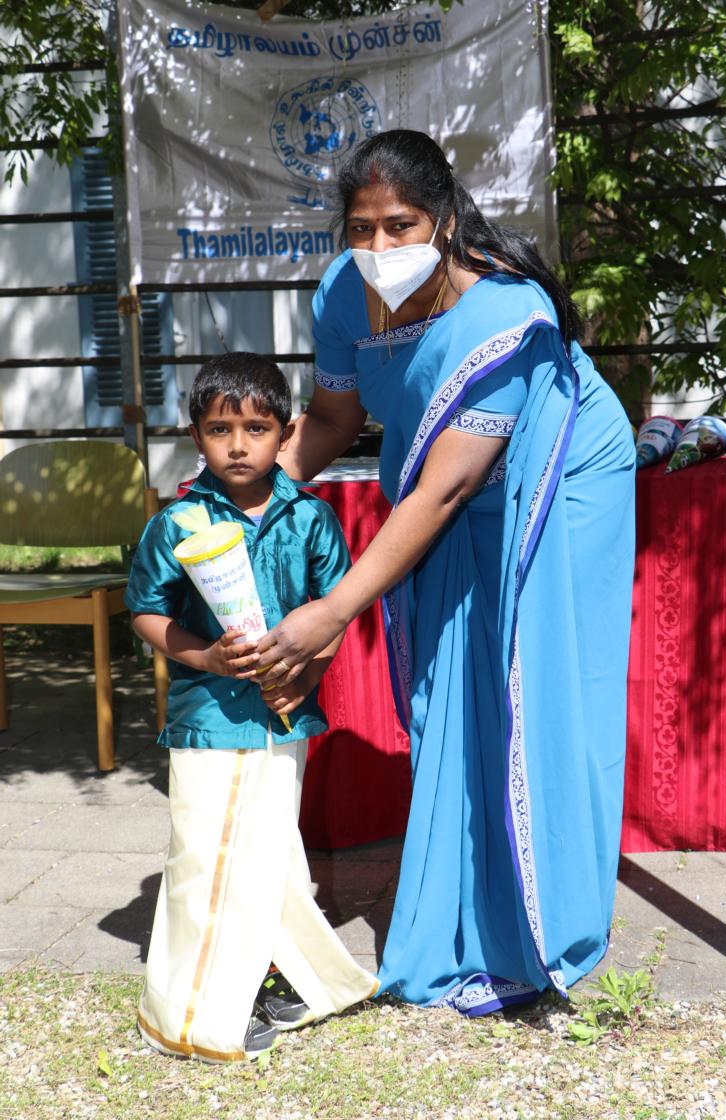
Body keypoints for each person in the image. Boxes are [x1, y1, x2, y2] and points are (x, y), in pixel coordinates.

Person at [237, 129, 636, 1016]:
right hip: (449, 490)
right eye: (361, 228)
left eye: (401, 225)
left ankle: (541, 930)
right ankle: (459, 908)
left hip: (560, 479)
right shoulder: (344, 293)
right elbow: (332, 422)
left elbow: (445, 489)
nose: (379, 247)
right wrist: (234, 497)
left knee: (530, 681)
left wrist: (334, 611)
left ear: (445, 221)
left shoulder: (504, 315)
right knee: (454, 685)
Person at [125, 353, 378, 1061]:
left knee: (269, 853)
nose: (238, 446)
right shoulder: (177, 522)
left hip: (284, 717)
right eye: (219, 430)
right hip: (208, 716)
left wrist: (307, 675)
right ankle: (191, 1012)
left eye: (256, 429)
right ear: (196, 436)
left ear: (285, 433)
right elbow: (144, 611)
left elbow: (336, 611)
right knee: (203, 853)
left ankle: (275, 977)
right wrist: (204, 656)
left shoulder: (311, 519)